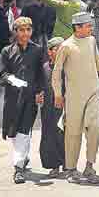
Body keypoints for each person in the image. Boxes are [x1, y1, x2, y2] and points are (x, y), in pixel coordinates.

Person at [52, 12, 99, 184]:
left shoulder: (91, 42)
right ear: (78, 27)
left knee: (94, 129)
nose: (91, 29)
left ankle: (90, 167)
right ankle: (71, 169)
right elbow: (56, 71)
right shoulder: (67, 46)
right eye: (89, 26)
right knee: (73, 133)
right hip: (74, 97)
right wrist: (58, 94)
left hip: (93, 92)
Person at [0, 17, 44, 183]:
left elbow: (41, 74)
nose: (25, 33)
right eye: (21, 30)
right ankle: (23, 157)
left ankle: (18, 168)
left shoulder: (38, 50)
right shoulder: (6, 51)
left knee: (24, 131)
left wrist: (40, 91)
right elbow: (2, 74)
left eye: (28, 30)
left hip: (30, 97)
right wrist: (13, 80)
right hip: (12, 98)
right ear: (15, 32)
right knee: (14, 132)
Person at [39, 38, 66, 176]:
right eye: (57, 49)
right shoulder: (44, 68)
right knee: (49, 135)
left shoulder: (68, 67)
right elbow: (39, 86)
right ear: (49, 52)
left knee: (65, 135)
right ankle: (54, 165)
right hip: (48, 108)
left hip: (65, 107)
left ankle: (68, 166)